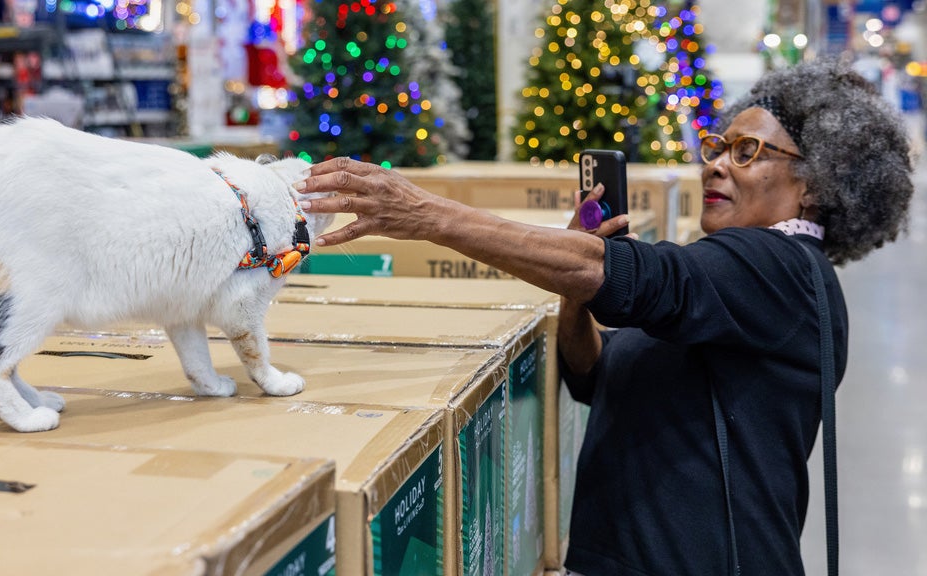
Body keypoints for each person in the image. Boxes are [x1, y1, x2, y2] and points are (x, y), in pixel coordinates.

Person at [292, 58, 914, 575]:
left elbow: (635, 278)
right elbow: (595, 372)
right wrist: (574, 285)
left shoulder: (779, 267)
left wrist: (428, 217)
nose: (716, 164)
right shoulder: (739, 278)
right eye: (718, 146)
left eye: (748, 151)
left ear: (814, 184)